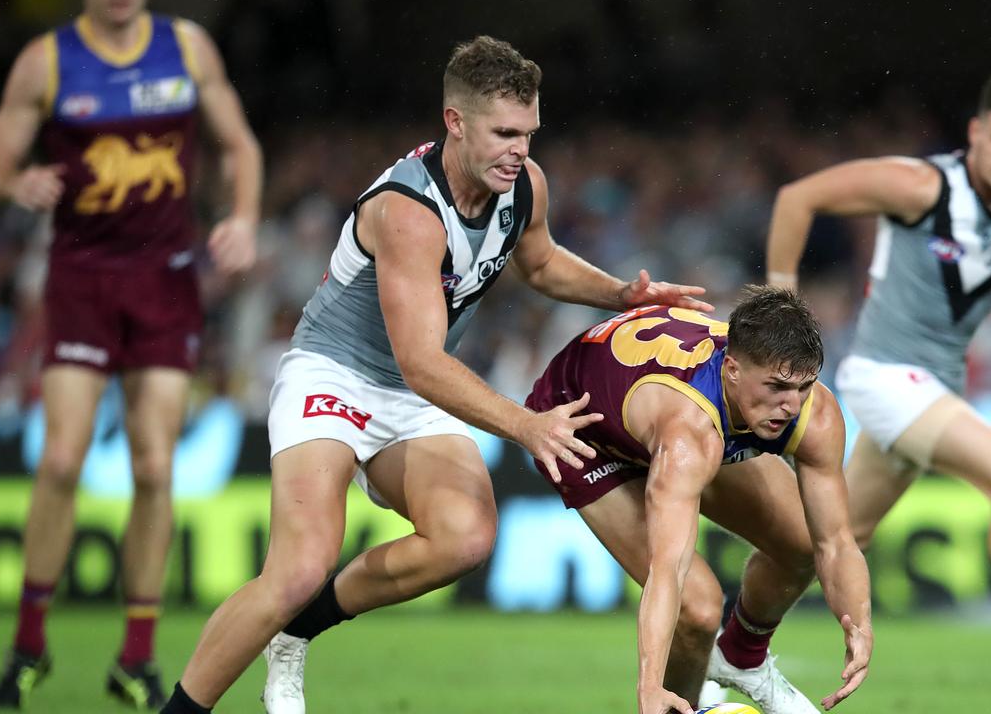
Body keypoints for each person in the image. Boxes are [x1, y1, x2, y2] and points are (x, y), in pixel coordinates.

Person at [159, 35, 709, 714]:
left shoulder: (522, 186)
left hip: (412, 384)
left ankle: (297, 633)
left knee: (465, 539)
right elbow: (421, 362)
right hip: (334, 376)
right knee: (299, 567)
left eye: (529, 134)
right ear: (455, 122)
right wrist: (524, 425)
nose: (520, 150)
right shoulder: (408, 213)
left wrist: (621, 293)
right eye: (504, 133)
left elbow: (539, 263)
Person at [764, 71, 991, 711]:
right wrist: (782, 304)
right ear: (976, 132)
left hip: (936, 383)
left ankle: (727, 649)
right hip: (885, 374)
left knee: (826, 539)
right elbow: (796, 198)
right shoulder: (921, 185)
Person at [0, 0, 262, 709]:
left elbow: (241, 145)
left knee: (155, 466)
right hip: (81, 280)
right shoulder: (45, 62)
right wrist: (16, 183)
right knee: (63, 459)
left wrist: (245, 216)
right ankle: (28, 647)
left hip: (164, 284)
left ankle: (134, 658)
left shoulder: (189, 47)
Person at [527, 288, 873, 714]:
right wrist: (650, 684)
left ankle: (742, 658)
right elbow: (668, 569)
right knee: (699, 608)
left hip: (661, 404)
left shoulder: (811, 412)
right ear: (731, 370)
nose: (791, 405)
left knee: (803, 541)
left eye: (804, 386)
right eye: (778, 386)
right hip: (583, 430)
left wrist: (860, 624)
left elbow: (836, 542)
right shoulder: (689, 436)